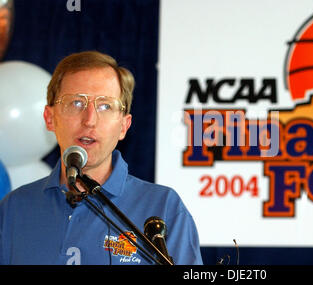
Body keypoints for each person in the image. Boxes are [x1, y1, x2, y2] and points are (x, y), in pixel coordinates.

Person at [0, 51, 203, 265]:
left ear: (124, 126)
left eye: (105, 106)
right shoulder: (14, 209)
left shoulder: (163, 209)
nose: (89, 120)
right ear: (50, 118)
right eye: (76, 103)